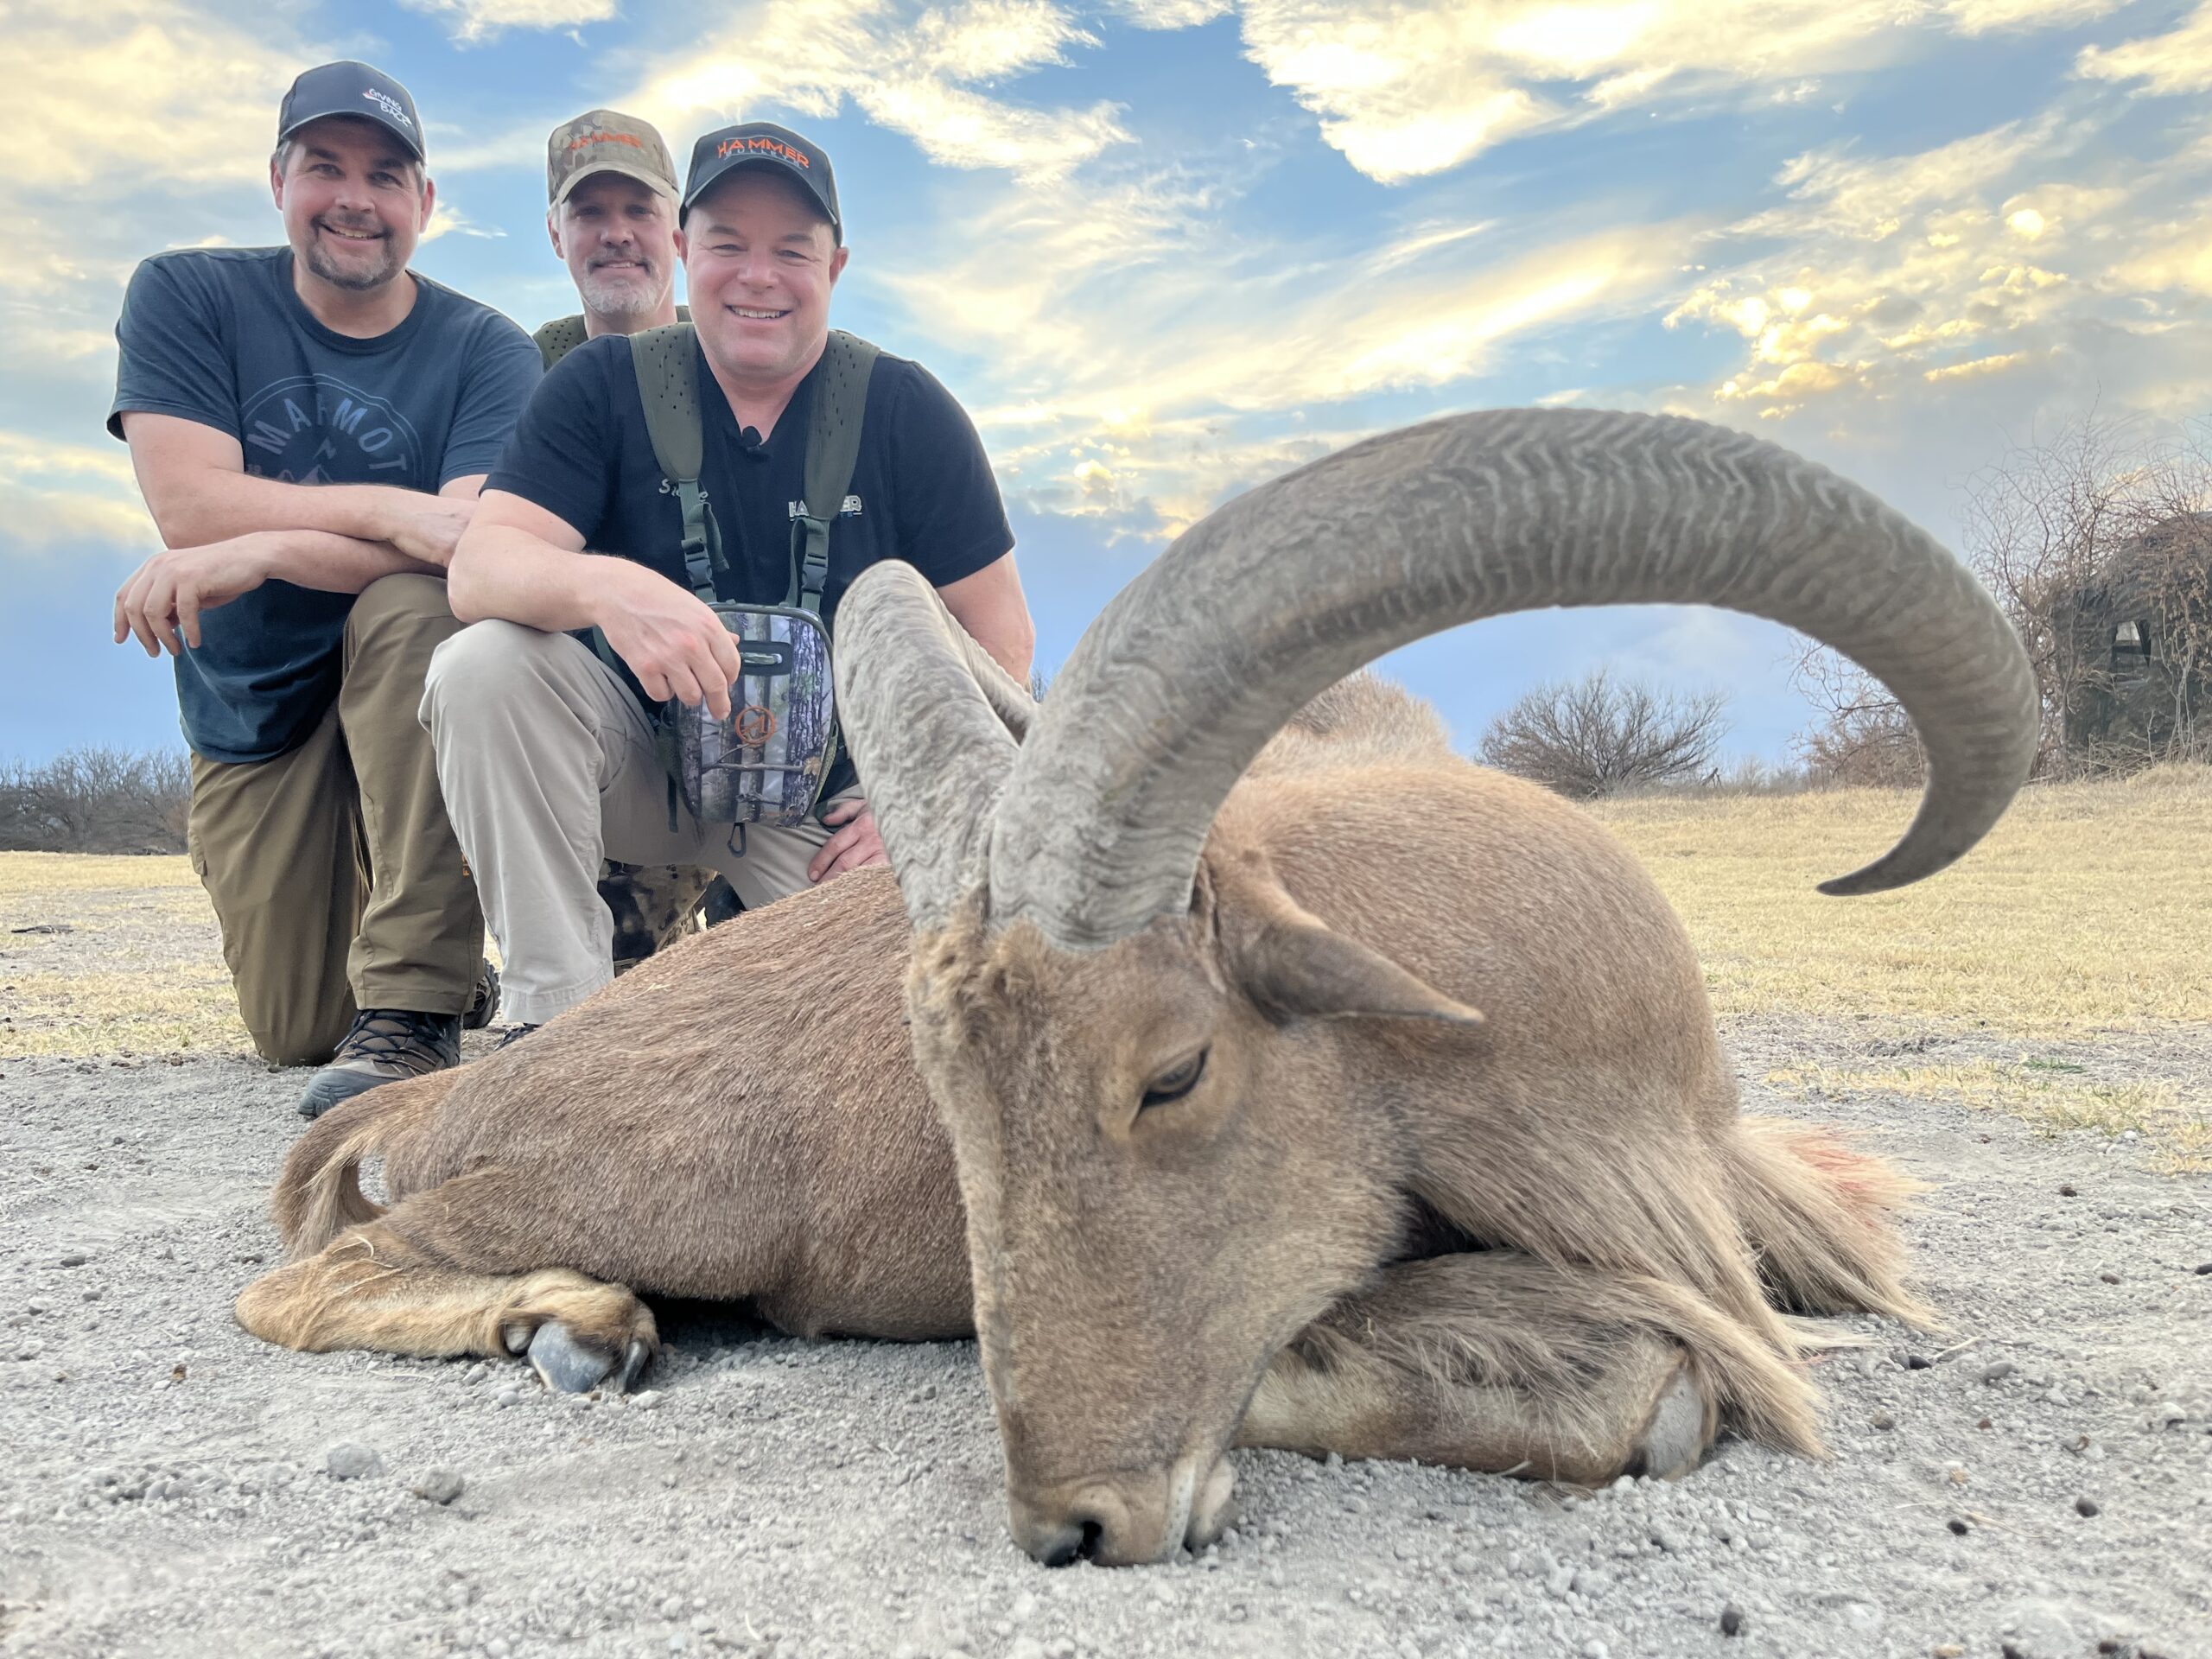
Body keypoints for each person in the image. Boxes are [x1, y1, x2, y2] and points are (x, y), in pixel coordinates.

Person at [426, 121, 1034, 1038]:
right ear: (683, 251)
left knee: (920, 1028)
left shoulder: (908, 408)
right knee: (482, 666)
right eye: (727, 244)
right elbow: (481, 566)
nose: (759, 276)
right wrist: (610, 590)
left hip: (823, 809)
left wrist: (906, 801)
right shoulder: (598, 384)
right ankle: (553, 1025)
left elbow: (1001, 641)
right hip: (641, 769)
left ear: (835, 266)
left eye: (792, 249)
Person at [107, 60, 542, 1117]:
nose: (356, 198)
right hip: (254, 700)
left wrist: (262, 549)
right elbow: (189, 510)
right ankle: (413, 947)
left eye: (387, 175)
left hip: (401, 674)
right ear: (278, 180)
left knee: (418, 610)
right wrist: (392, 514)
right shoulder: (184, 293)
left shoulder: (489, 348)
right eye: (326, 166)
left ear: (425, 204)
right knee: (294, 1027)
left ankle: (417, 997)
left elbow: (467, 550)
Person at [535, 109, 689, 365]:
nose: (617, 235)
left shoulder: (740, 364)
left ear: (681, 231)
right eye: (589, 212)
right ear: (556, 235)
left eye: (640, 211)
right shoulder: (518, 374)